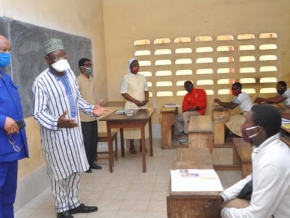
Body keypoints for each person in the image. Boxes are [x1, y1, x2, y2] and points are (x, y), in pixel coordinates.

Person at [32, 38, 106, 218]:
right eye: (56, 57)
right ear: (47, 60)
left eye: (64, 56)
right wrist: (57, 122)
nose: (61, 60)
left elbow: (78, 99)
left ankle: (73, 203)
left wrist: (91, 109)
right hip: (56, 136)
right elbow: (38, 112)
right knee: (59, 173)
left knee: (74, 170)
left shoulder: (70, 74)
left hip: (74, 133)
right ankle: (62, 209)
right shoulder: (41, 82)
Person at [220, 104, 290, 217]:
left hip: (273, 215)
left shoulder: (271, 162)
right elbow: (252, 178)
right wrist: (224, 195)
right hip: (269, 210)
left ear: (257, 130)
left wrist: (221, 213)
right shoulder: (269, 147)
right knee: (221, 203)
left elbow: (256, 215)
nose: (243, 126)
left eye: (246, 122)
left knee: (215, 210)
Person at [0, 35, 29, 218]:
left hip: (10, 148)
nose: (7, 54)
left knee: (7, 197)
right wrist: (2, 120)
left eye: (8, 50)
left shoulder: (5, 76)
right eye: (3, 50)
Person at [76, 58, 101, 173]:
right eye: (87, 65)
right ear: (81, 67)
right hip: (83, 117)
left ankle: (92, 162)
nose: (90, 67)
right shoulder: (78, 80)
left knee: (93, 140)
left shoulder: (92, 80)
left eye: (90, 64)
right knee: (86, 142)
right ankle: (85, 165)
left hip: (93, 115)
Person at [120, 58, 149, 154]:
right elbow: (124, 93)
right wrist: (135, 101)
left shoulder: (142, 77)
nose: (136, 67)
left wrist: (146, 99)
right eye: (133, 65)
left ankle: (142, 145)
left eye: (137, 64)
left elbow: (146, 90)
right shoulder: (126, 77)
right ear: (130, 67)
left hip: (142, 106)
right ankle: (131, 146)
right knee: (131, 127)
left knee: (143, 125)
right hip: (132, 105)